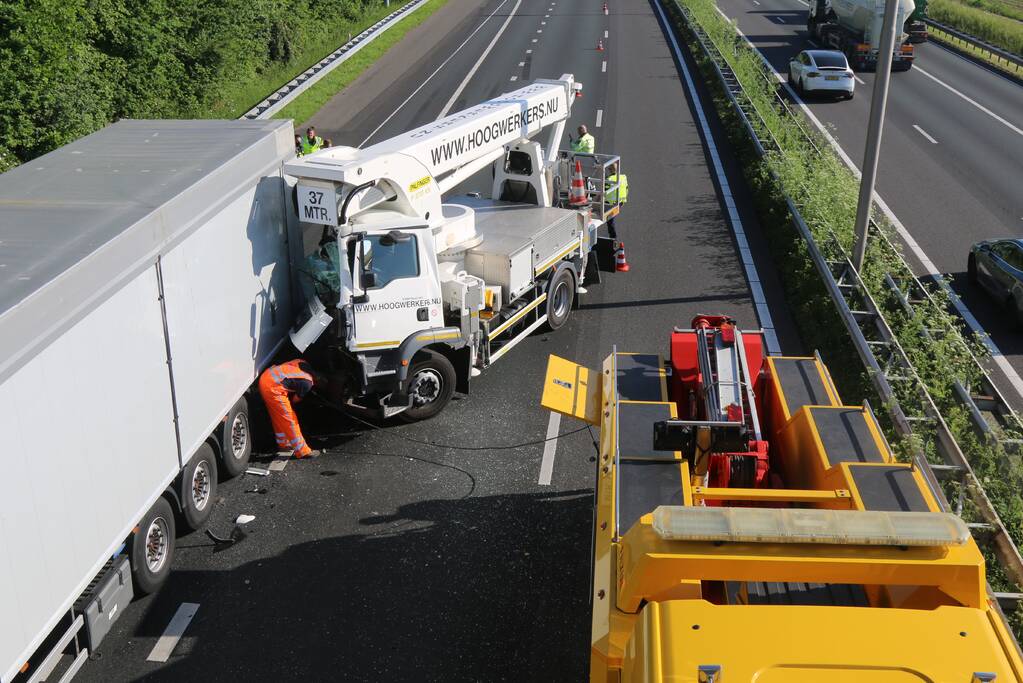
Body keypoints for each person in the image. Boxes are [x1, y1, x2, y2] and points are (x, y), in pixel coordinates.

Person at [258, 359, 324, 459]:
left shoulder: (302, 362)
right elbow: (295, 400)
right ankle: (303, 451)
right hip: (273, 388)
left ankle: (283, 444)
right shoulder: (308, 383)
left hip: (266, 378)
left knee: (278, 416)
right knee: (290, 420)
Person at [605, 162, 628, 239]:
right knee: (611, 219)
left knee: (610, 220)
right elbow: (626, 189)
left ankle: (613, 237)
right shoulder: (623, 177)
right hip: (620, 202)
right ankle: (613, 237)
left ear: (610, 170)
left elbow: (604, 192)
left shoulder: (609, 179)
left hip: (611, 203)